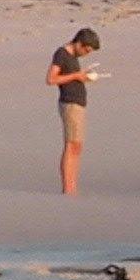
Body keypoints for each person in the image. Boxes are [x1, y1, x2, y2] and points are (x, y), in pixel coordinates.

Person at [49, 27, 103, 195]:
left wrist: (84, 78)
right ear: (79, 43)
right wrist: (76, 76)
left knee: (76, 146)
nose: (86, 54)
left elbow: (72, 77)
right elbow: (51, 79)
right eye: (86, 50)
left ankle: (72, 186)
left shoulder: (72, 56)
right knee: (71, 145)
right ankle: (68, 188)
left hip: (77, 104)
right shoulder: (62, 54)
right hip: (70, 104)